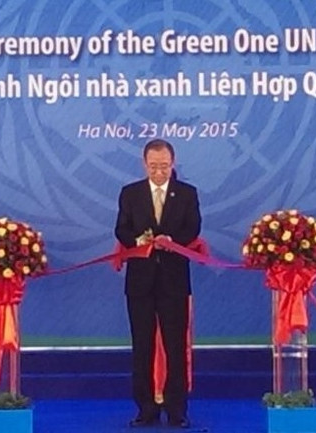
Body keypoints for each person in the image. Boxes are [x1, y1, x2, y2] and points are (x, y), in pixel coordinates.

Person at [115, 139, 201, 429]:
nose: (159, 172)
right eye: (153, 166)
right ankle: (146, 409)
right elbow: (121, 228)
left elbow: (193, 227)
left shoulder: (187, 194)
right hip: (140, 283)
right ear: (144, 164)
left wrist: (173, 242)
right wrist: (137, 241)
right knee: (142, 347)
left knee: (175, 347)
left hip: (174, 281)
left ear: (173, 163)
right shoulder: (131, 193)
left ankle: (177, 410)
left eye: (164, 166)